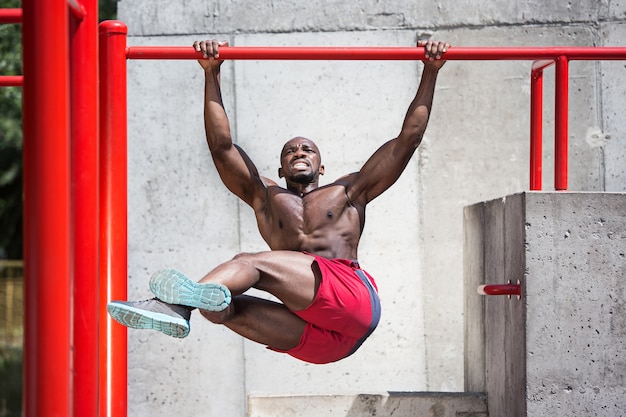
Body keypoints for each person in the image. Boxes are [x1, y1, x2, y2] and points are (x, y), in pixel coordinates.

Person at [107, 38, 450, 364]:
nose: (299, 152)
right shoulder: (265, 197)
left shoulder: (349, 192)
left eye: (307, 149)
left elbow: (407, 140)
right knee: (221, 306)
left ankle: (171, 305)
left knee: (250, 262)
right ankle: (183, 308)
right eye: (290, 150)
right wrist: (211, 72)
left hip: (351, 302)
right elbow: (222, 147)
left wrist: (430, 70)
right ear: (280, 166)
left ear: (321, 165)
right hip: (326, 343)